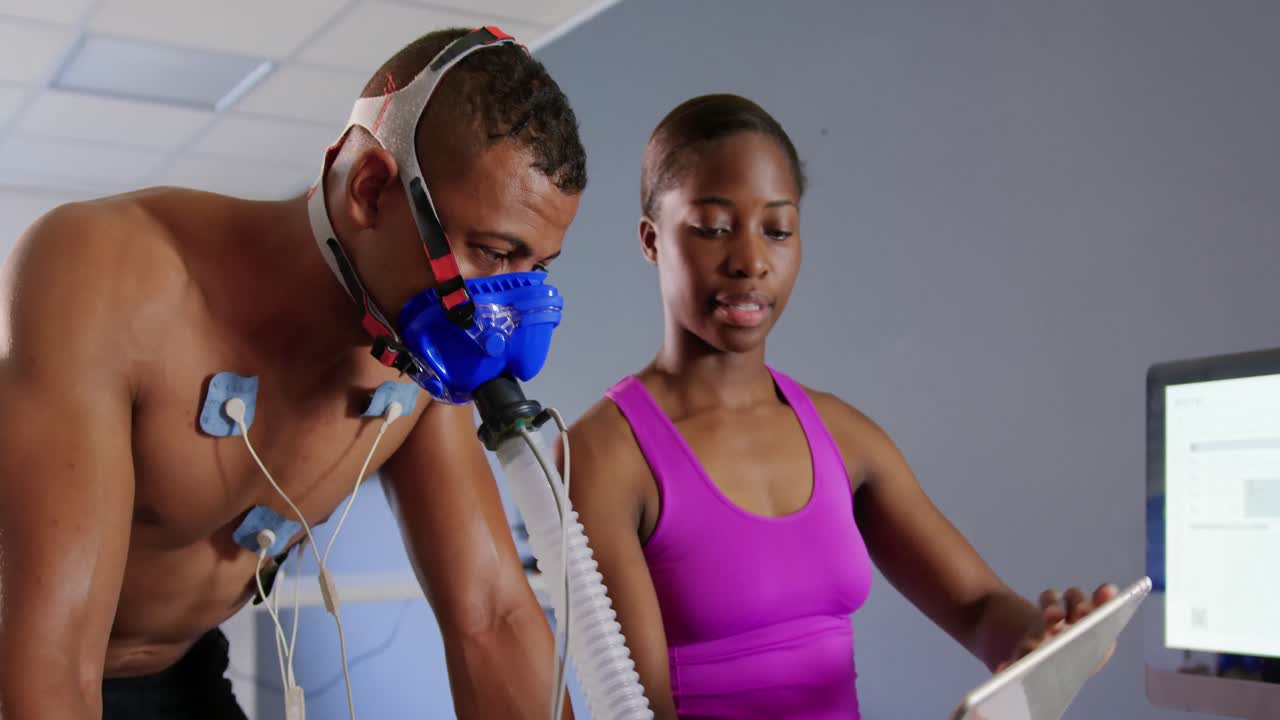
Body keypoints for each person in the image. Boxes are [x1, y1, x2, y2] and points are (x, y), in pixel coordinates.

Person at [0, 26, 584, 720]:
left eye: (533, 269)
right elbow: (49, 661)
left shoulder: (416, 360)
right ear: (371, 188)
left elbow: (490, 616)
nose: (505, 313)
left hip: (177, 674)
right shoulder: (110, 273)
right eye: (492, 253)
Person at [565, 94, 1117, 719]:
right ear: (651, 240)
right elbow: (638, 711)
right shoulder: (603, 457)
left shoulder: (843, 436)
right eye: (715, 227)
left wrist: (1047, 643)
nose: (750, 261)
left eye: (777, 230)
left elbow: (979, 607)